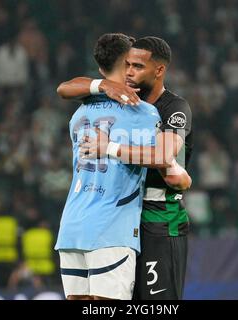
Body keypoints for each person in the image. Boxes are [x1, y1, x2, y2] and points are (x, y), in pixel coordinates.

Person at [54, 33, 190, 301]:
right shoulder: (143, 112)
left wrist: (100, 86)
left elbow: (64, 88)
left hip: (72, 225)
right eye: (130, 63)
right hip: (112, 227)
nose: (132, 69)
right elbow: (168, 166)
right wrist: (181, 174)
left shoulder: (79, 113)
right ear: (124, 62)